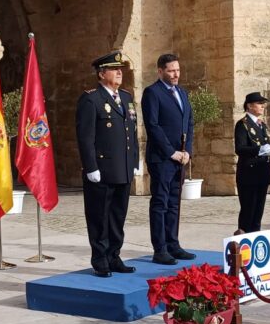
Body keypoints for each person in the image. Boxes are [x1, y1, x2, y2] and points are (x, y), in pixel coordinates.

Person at [76, 51, 140, 277]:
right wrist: (90, 166)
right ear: (102, 74)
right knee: (100, 217)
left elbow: (132, 130)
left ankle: (114, 255)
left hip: (122, 169)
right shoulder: (91, 99)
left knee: (117, 216)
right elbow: (85, 137)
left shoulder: (125, 97)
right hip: (102, 171)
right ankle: (100, 259)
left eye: (120, 69)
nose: (120, 72)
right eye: (114, 69)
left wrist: (134, 160)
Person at [141, 53, 195, 265]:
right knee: (161, 202)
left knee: (174, 203)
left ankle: (173, 243)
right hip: (162, 158)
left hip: (180, 157)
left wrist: (187, 150)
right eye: (171, 71)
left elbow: (188, 122)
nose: (176, 75)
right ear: (160, 71)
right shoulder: (152, 93)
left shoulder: (182, 92)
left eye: (178, 70)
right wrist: (171, 152)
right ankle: (160, 248)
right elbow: (152, 126)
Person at [234, 92, 270, 233]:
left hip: (262, 173)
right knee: (248, 211)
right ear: (249, 106)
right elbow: (240, 148)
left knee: (258, 213)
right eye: (259, 104)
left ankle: (255, 242)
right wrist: (260, 149)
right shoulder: (243, 125)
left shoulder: (262, 125)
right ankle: (243, 243)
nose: (263, 107)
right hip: (249, 174)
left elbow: (268, 144)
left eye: (263, 104)